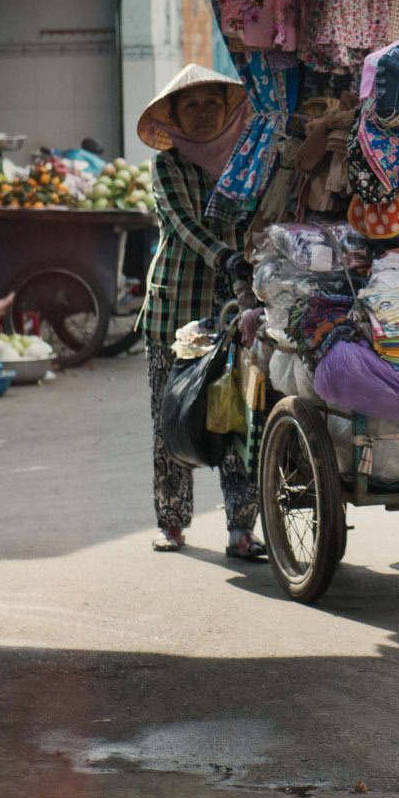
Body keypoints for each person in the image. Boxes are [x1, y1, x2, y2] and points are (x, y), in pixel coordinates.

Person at [135, 66, 267, 560]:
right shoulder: (166, 165)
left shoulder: (247, 163)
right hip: (175, 310)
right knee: (172, 420)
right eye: (191, 106)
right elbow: (184, 224)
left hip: (236, 309)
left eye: (213, 102)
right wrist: (224, 256)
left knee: (238, 417)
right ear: (174, 116)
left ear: (228, 107)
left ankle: (240, 528)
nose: (204, 113)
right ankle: (171, 523)